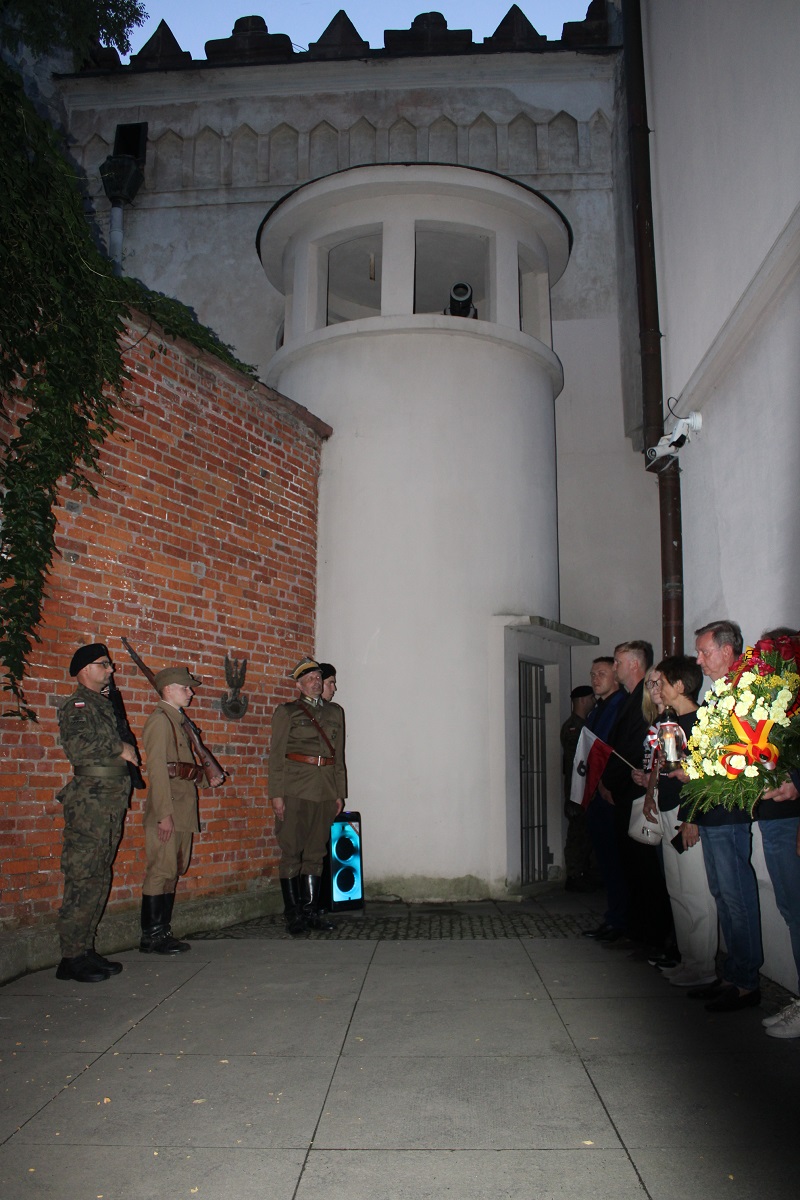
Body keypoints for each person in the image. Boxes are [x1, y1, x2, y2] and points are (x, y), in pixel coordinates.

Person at [687, 619, 763, 1012]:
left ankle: (746, 982)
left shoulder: (747, 692)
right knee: (722, 894)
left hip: (730, 809)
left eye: (704, 652)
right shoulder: (717, 694)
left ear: (727, 651)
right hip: (712, 808)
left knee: (736, 897)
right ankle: (733, 975)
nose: (699, 660)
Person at [56, 643, 138, 982]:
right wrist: (121, 747)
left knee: (100, 874)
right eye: (104, 664)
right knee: (83, 875)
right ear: (85, 669)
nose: (111, 669)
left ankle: (85, 949)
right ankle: (71, 957)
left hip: (108, 802)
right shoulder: (77, 705)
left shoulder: (103, 704)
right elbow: (78, 747)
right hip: (90, 803)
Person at [644, 656, 718, 988]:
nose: (657, 689)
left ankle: (703, 966)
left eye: (661, 683)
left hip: (686, 814)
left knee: (696, 892)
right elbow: (663, 766)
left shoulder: (701, 722)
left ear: (679, 685)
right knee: (677, 890)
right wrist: (652, 795)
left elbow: (703, 780)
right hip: (668, 809)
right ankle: (689, 960)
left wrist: (691, 818)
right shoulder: (669, 721)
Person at [269, 657, 347, 935]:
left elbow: (338, 757)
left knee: (316, 853)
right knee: (292, 851)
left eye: (318, 678)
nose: (316, 682)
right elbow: (276, 756)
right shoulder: (287, 712)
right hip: (295, 789)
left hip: (325, 790)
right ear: (299, 685)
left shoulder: (335, 712)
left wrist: (339, 793)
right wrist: (276, 795)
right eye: (310, 679)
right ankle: (294, 915)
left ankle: (311, 912)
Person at [140, 666, 214, 954]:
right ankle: (152, 936)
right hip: (169, 808)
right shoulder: (160, 721)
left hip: (181, 807)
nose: (191, 692)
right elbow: (158, 770)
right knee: (161, 870)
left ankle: (163, 931)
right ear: (169, 689)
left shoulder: (177, 721)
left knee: (173, 870)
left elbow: (183, 767)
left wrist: (207, 779)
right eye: (186, 687)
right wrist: (163, 814)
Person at [561, 685, 596, 891]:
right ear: (582, 700)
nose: (594, 701)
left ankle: (584, 871)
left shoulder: (585, 725)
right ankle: (574, 875)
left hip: (584, 787)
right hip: (577, 788)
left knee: (585, 832)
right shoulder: (574, 727)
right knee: (577, 832)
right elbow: (577, 760)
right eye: (591, 698)